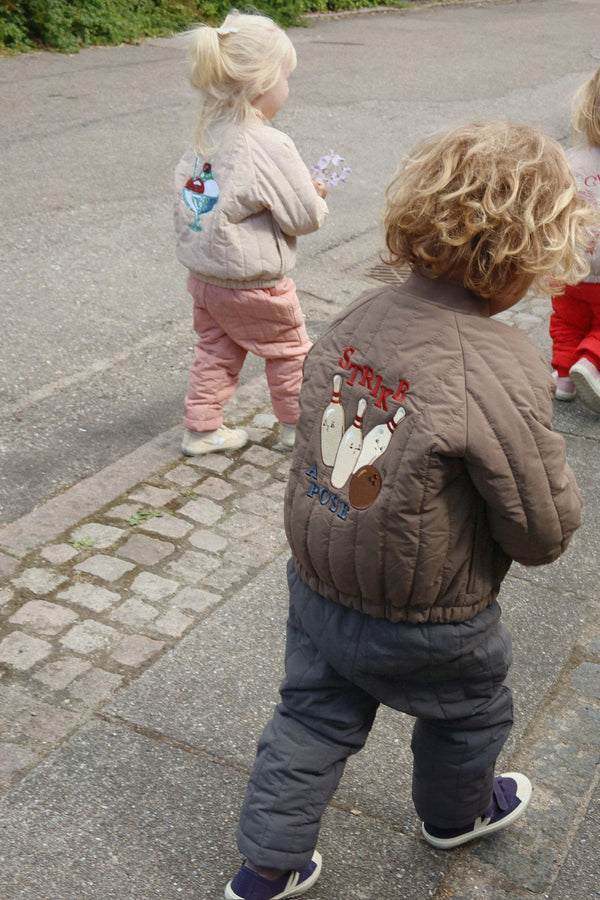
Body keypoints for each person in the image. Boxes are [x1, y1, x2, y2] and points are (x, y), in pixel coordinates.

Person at [224, 122, 592, 900]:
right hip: (433, 615)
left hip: (323, 580)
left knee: (313, 718)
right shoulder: (497, 363)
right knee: (469, 714)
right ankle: (455, 817)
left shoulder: (360, 317)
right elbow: (540, 531)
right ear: (524, 259)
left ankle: (266, 869)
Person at [174, 12, 328, 457]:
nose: (287, 87)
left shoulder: (204, 136)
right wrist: (317, 196)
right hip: (254, 283)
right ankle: (298, 429)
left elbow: (201, 202)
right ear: (264, 83)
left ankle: (201, 430)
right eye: (286, 76)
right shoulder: (268, 144)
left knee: (216, 350)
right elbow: (303, 218)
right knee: (289, 352)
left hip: (205, 279)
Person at [550, 67, 600, 412]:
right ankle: (591, 362)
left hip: (568, 266)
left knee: (567, 320)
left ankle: (564, 379)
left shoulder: (569, 161)